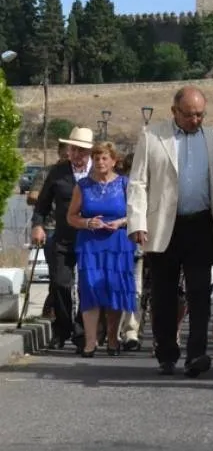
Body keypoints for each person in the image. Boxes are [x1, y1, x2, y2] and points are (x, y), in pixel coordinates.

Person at [127, 86, 213, 377]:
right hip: (163, 225)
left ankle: (197, 353)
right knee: (164, 294)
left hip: (200, 223)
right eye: (189, 115)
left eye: (200, 114)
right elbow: (137, 182)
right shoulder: (152, 136)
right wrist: (137, 222)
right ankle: (166, 352)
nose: (195, 120)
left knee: (200, 292)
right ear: (174, 111)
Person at [65, 141, 137, 357]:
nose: (100, 162)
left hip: (118, 244)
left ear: (114, 161)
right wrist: (87, 223)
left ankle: (113, 339)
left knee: (114, 289)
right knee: (90, 289)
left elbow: (136, 213)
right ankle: (90, 342)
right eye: (96, 158)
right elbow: (71, 216)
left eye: (104, 158)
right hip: (90, 244)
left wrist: (121, 222)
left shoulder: (125, 184)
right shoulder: (83, 186)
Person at [30, 127, 94, 350]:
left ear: (89, 152)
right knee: (60, 283)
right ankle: (63, 328)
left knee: (87, 286)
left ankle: (82, 332)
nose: (77, 154)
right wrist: (37, 225)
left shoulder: (97, 171)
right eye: (73, 149)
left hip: (90, 238)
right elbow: (43, 203)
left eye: (82, 150)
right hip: (64, 236)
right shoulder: (58, 172)